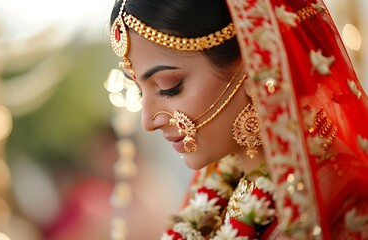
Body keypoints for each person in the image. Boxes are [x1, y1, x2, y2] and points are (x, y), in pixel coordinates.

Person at [108, 0, 368, 239]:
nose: (147, 121)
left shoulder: (343, 200)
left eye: (169, 86)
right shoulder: (224, 185)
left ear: (255, 67)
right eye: (140, 91)